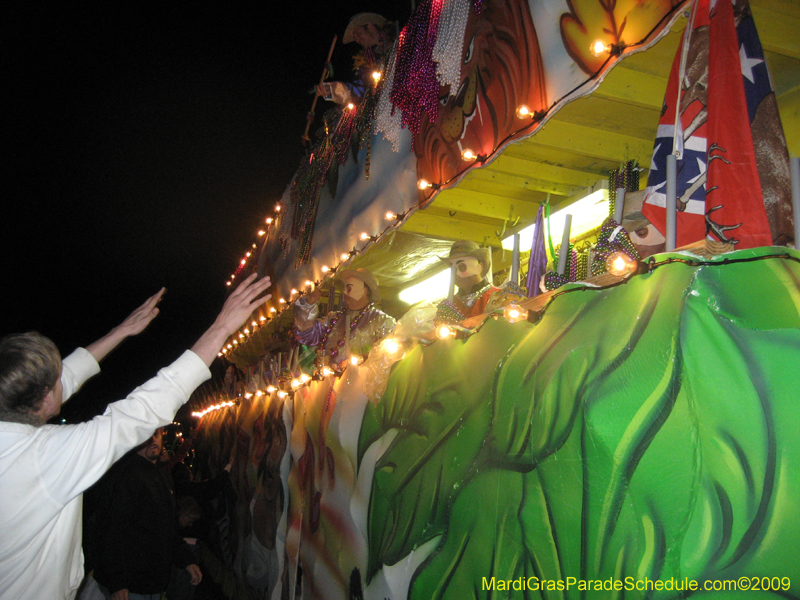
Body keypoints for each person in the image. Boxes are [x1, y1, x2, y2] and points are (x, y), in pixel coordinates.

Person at [0, 272, 271, 600]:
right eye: (56, 380)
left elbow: (66, 377)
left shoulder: (14, 429)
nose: (65, 380)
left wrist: (122, 331)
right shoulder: (42, 459)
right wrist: (221, 328)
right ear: (44, 396)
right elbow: (145, 407)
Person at [92, 428, 199, 600]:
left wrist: (186, 559)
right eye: (146, 435)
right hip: (130, 587)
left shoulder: (162, 477)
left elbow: (167, 527)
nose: (152, 440)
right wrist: (117, 582)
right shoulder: (124, 476)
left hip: (152, 583)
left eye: (156, 434)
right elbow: (110, 530)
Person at [294, 268, 395, 365]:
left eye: (349, 288)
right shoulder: (333, 318)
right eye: (344, 288)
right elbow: (306, 335)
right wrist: (308, 306)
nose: (344, 292)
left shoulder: (383, 321)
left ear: (365, 291)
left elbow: (385, 356)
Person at [434, 240, 527, 326]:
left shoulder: (502, 296)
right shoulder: (446, 308)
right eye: (452, 269)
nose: (457, 274)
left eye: (462, 267)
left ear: (479, 267)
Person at [317, 13, 395, 106]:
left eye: (358, 33)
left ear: (370, 26)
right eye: (355, 38)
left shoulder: (400, 44)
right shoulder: (365, 64)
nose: (357, 40)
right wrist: (331, 90)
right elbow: (358, 90)